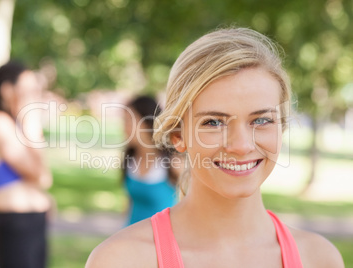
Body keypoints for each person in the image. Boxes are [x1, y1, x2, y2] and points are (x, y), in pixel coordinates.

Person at [85, 28, 344, 267]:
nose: (241, 146)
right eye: (213, 122)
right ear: (177, 135)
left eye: (262, 120)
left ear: (281, 128)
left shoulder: (320, 259)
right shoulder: (121, 260)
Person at [0, 61, 52, 268]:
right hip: (17, 230)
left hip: (28, 227)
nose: (35, 96)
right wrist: (32, 126)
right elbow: (40, 175)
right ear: (7, 90)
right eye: (29, 90)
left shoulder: (6, 123)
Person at [122, 96, 178, 225]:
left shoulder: (172, 163)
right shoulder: (130, 158)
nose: (124, 128)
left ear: (147, 123)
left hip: (160, 241)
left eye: (129, 121)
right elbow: (130, 204)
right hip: (131, 236)